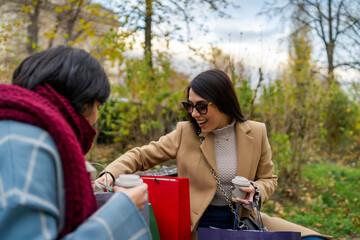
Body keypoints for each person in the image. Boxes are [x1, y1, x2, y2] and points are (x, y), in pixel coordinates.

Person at [97, 69, 331, 239]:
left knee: (313, 239)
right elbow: (140, 156)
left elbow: (269, 179)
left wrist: (256, 190)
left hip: (244, 222)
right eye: (189, 106)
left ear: (223, 103)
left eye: (201, 106)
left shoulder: (256, 132)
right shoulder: (185, 133)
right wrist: (109, 174)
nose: (195, 113)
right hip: (200, 225)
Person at [0, 46, 151, 239]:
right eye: (98, 106)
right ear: (82, 104)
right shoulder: (29, 144)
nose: (95, 118)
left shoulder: (17, 127)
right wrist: (123, 208)